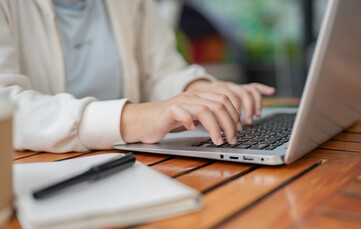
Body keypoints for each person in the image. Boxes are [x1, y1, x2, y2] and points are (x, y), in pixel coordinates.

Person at [0, 0, 275, 153]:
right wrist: (140, 118)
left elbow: (160, 71)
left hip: (130, 159)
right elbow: (9, 109)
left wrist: (200, 92)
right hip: (33, 171)